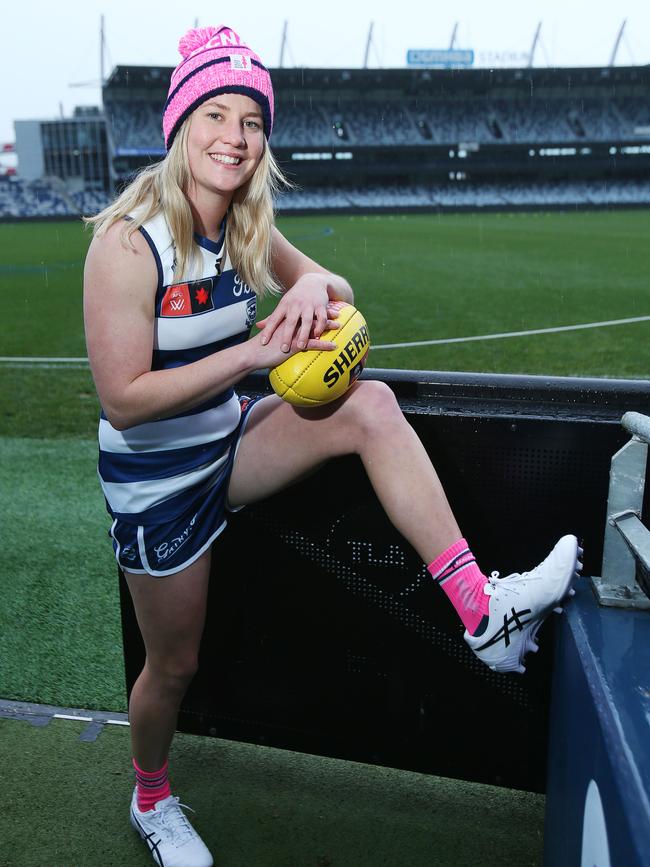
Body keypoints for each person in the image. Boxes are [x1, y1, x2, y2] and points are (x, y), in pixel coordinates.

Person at [83, 24, 582, 867]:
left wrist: (314, 282)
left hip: (228, 443)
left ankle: (484, 616)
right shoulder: (129, 241)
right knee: (175, 663)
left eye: (251, 120)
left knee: (371, 405)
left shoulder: (244, 223)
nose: (234, 138)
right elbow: (123, 400)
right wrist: (252, 354)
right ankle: (153, 796)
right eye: (216, 113)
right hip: (157, 483)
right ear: (180, 124)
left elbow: (335, 289)